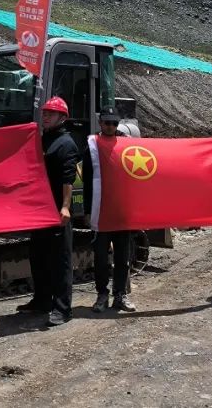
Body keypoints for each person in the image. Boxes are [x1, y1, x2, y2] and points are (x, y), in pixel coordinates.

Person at [18, 96, 79, 326]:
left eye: (50, 114)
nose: (45, 116)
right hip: (39, 212)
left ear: (62, 118)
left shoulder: (66, 144)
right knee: (39, 257)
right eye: (44, 113)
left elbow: (68, 179)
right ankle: (42, 300)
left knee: (60, 262)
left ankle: (62, 309)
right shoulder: (43, 140)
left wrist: (65, 207)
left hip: (56, 211)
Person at [84, 108, 136, 313]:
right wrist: (88, 211)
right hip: (101, 212)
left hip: (122, 212)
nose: (110, 127)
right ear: (100, 123)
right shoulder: (92, 146)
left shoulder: (127, 146)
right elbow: (87, 179)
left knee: (123, 258)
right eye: (106, 123)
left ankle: (120, 295)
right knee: (100, 258)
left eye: (114, 124)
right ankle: (102, 295)